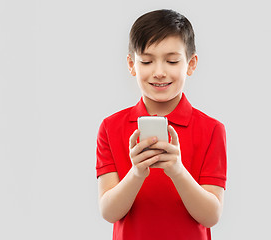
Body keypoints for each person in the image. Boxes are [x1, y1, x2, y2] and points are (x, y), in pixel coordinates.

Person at [96, 9, 227, 240]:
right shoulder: (110, 127)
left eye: (172, 61)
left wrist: (177, 170)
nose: (159, 72)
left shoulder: (212, 130)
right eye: (146, 61)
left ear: (191, 63)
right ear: (132, 64)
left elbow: (211, 215)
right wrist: (136, 172)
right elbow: (108, 211)